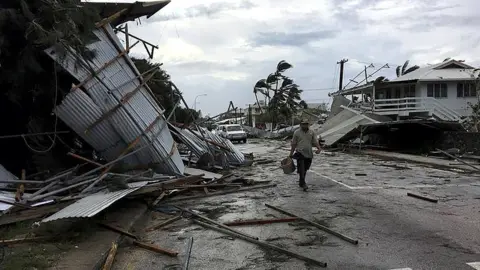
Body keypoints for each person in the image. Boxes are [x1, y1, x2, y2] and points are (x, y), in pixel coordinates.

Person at [289, 119, 322, 191]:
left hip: (309, 153)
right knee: (301, 168)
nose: (305, 125)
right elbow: (294, 144)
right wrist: (290, 154)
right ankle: (303, 183)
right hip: (300, 153)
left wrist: (319, 148)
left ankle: (301, 181)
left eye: (306, 124)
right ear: (300, 125)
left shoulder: (311, 132)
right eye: (303, 124)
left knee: (306, 168)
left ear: (308, 124)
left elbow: (315, 141)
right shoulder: (296, 132)